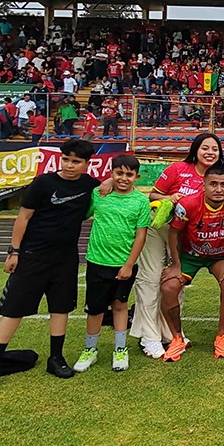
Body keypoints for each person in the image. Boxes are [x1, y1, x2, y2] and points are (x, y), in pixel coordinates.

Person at [0, 139, 100, 393]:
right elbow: (23, 217)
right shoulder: (43, 183)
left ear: (87, 164)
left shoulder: (90, 185)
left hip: (65, 259)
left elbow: (106, 190)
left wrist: (107, 183)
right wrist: (14, 251)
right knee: (14, 309)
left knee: (61, 308)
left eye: (76, 161)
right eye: (66, 159)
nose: (69, 165)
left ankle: (56, 358)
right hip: (32, 256)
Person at [131, 133, 224, 359]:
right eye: (205, 148)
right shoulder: (178, 169)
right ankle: (149, 337)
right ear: (196, 149)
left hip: (185, 235)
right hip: (159, 227)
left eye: (214, 149)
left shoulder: (219, 176)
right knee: (151, 279)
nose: (210, 152)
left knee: (175, 282)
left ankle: (171, 333)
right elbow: (153, 194)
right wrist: (170, 197)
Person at [159, 164, 224, 362]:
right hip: (190, 255)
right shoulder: (188, 204)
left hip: (220, 255)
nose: (219, 189)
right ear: (203, 185)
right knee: (168, 287)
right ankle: (177, 338)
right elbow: (174, 233)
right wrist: (175, 264)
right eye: (213, 184)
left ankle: (222, 336)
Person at [73, 155, 151, 374]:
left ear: (137, 177)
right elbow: (82, 213)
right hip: (97, 261)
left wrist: (129, 264)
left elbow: (141, 236)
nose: (124, 178)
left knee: (120, 305)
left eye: (129, 175)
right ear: (111, 173)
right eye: (119, 173)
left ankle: (120, 349)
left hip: (124, 264)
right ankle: (90, 349)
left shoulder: (141, 201)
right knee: (95, 308)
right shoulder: (99, 194)